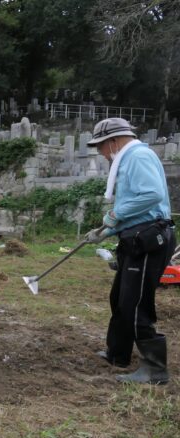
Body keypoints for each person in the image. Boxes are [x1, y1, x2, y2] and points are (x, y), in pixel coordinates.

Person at [84, 117, 175, 384]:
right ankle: (118, 354)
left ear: (112, 141)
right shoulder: (126, 160)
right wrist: (104, 231)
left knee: (135, 303)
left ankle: (155, 369)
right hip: (133, 236)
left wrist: (115, 214)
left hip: (148, 239)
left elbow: (151, 195)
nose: (101, 154)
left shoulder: (137, 156)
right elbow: (132, 209)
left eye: (100, 147)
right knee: (119, 299)